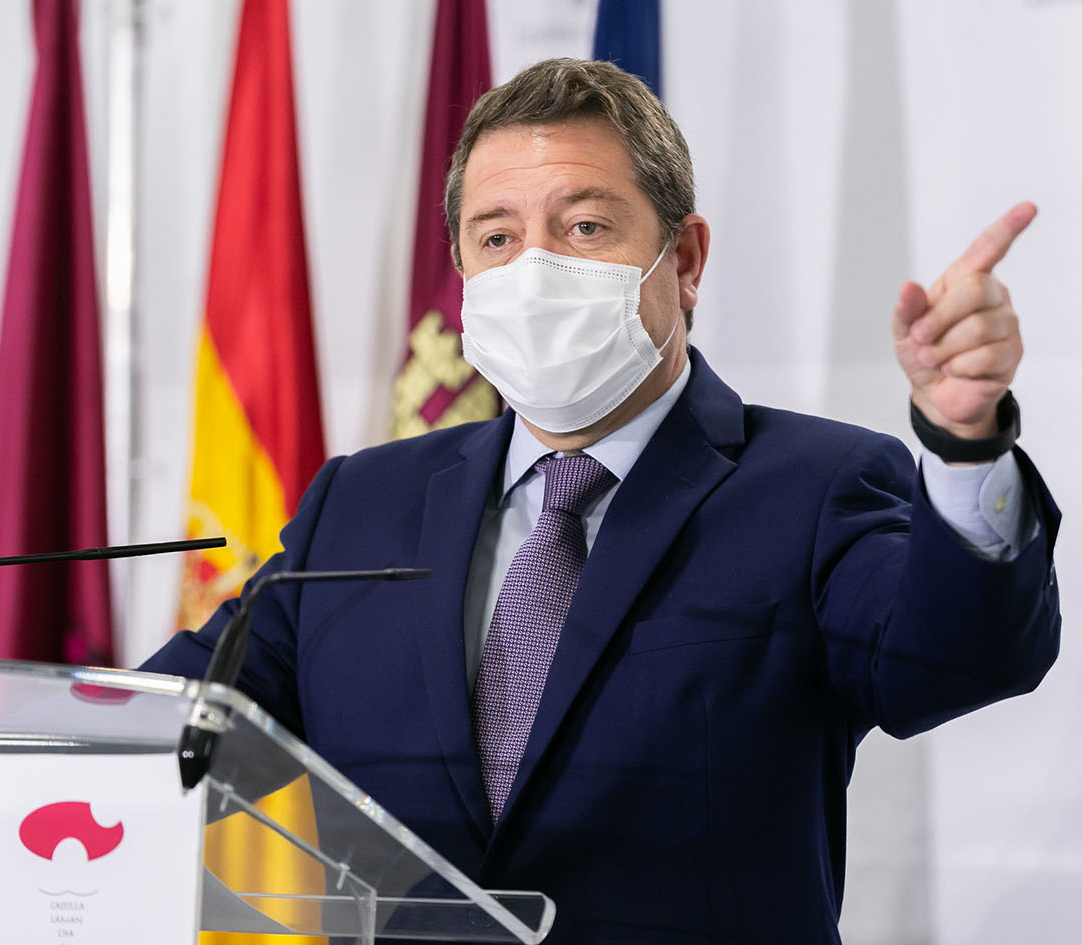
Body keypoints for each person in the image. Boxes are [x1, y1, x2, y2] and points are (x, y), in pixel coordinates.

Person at [144, 56, 1062, 942]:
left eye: (584, 227)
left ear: (686, 258)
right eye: (496, 238)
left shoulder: (815, 487)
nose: (533, 269)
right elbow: (169, 726)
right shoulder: (362, 502)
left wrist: (960, 442)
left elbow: (960, 657)